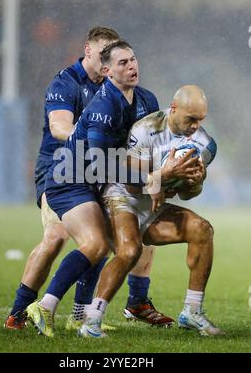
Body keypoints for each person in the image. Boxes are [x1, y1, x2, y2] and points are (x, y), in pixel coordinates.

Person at [26, 40, 176, 337]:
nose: (132, 66)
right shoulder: (102, 106)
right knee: (96, 244)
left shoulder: (146, 100)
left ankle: (81, 314)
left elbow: (153, 148)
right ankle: (42, 306)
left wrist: (175, 166)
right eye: (123, 63)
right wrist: (152, 178)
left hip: (99, 180)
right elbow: (98, 165)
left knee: (109, 242)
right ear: (107, 72)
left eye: (133, 59)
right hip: (69, 179)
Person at [80, 85, 223, 337]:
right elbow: (133, 185)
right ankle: (92, 320)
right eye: (191, 118)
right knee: (130, 250)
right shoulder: (145, 129)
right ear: (174, 108)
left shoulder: (205, 145)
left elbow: (187, 194)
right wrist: (165, 174)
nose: (195, 126)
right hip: (123, 197)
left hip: (153, 206)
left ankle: (192, 311)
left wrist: (195, 182)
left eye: (200, 120)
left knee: (203, 230)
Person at [5, 27, 121, 331]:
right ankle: (18, 312)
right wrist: (92, 139)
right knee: (56, 237)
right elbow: (59, 126)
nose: (108, 60)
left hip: (90, 171)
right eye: (103, 53)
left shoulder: (110, 86)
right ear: (88, 49)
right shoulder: (65, 82)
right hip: (57, 169)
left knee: (100, 240)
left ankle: (79, 317)